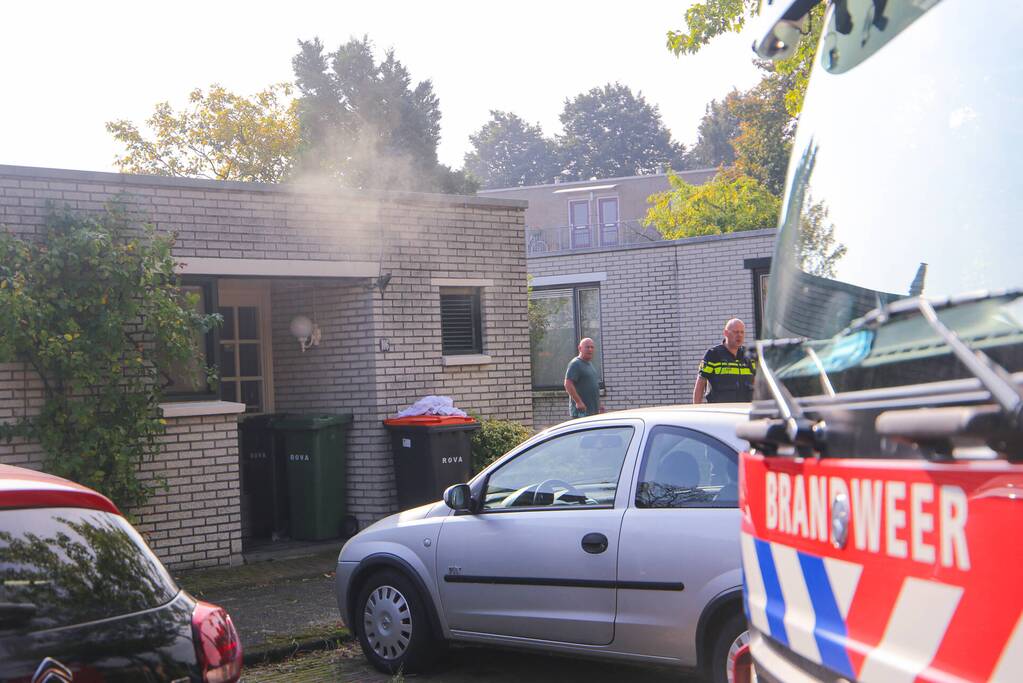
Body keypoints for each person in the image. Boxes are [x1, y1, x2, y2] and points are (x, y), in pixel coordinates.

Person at [693, 318, 756, 404]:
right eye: (736, 332)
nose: (739, 335)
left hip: (744, 412)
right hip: (721, 413)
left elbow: (757, 383)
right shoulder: (713, 354)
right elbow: (700, 384)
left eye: (742, 332)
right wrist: (697, 410)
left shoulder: (749, 355)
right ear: (725, 333)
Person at [564, 338, 601, 418]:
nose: (590, 349)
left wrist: (599, 405)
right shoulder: (575, 364)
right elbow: (568, 384)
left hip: (592, 411)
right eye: (587, 347)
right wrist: (578, 402)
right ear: (580, 348)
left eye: (592, 347)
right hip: (581, 413)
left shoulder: (589, 364)